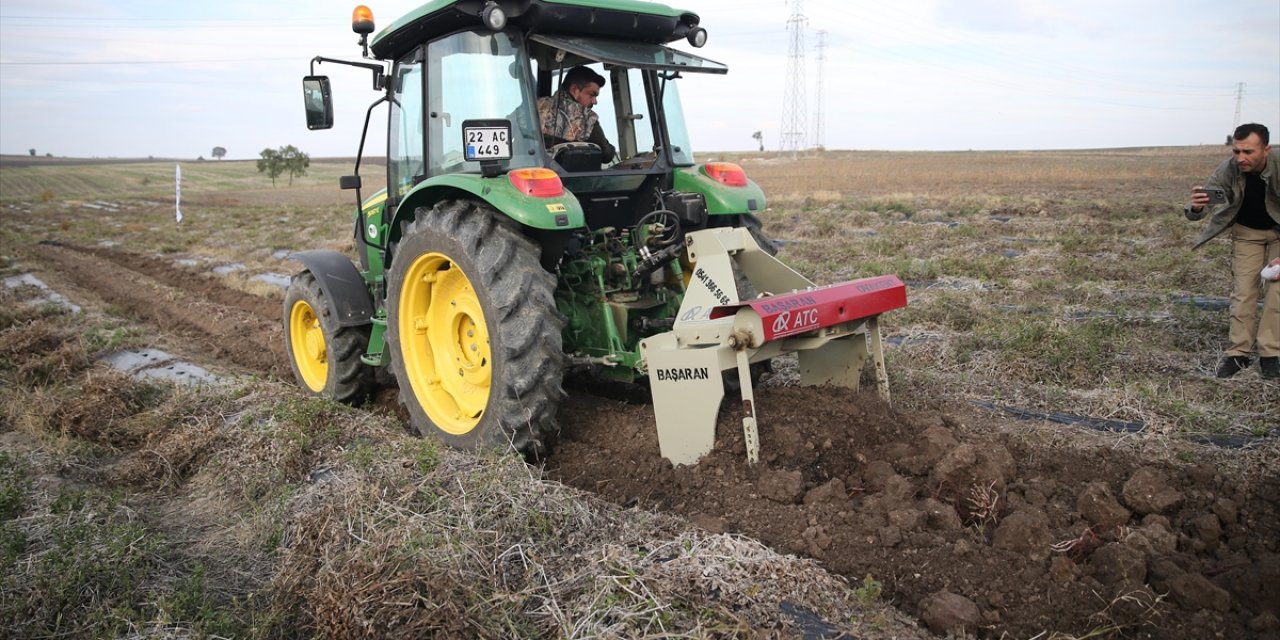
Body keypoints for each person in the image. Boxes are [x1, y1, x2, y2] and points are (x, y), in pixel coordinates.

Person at [1185, 123, 1280, 379]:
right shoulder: (1228, 169)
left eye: (1248, 151)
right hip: (1246, 233)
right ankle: (1238, 354)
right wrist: (1195, 207)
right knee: (1243, 292)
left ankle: (1271, 355)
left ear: (1267, 149)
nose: (1241, 158)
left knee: (1277, 292)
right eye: (1236, 151)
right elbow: (1203, 208)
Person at [537, 65, 616, 163]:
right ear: (574, 90)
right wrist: (610, 147)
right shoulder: (587, 119)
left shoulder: (532, 106)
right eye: (592, 94)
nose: (595, 101)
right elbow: (606, 155)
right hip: (571, 177)